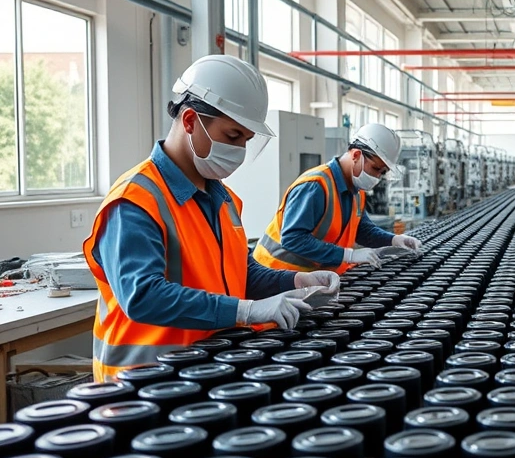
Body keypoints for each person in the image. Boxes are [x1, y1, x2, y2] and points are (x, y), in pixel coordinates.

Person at [84, 55, 340, 382]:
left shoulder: (223, 198)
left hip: (208, 370)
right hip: (144, 384)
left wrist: (294, 282)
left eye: (247, 141)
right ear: (190, 120)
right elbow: (143, 296)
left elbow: (239, 272)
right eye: (233, 137)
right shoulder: (135, 201)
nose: (239, 151)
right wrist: (245, 311)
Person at [253, 123, 422, 274]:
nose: (377, 177)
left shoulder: (357, 191)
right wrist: (348, 255)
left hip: (312, 279)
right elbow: (293, 238)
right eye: (376, 169)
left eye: (382, 173)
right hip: (275, 276)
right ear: (356, 155)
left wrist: (394, 240)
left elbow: (363, 231)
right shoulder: (316, 186)